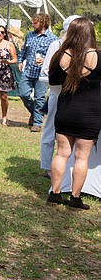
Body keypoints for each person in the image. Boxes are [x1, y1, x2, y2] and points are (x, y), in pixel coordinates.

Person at [47, 17, 100, 210]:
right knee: (82, 157)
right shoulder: (98, 56)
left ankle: (55, 193)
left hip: (66, 111)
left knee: (61, 153)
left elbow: (53, 83)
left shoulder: (60, 56)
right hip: (90, 114)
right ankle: (75, 198)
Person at [40, 15, 81, 177]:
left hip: (77, 99)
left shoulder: (83, 48)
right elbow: (45, 71)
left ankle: (68, 167)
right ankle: (47, 166)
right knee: (50, 130)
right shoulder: (56, 45)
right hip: (57, 94)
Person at [18, 13, 57, 132]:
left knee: (39, 97)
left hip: (42, 73)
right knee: (23, 93)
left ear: (43, 23)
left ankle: (37, 123)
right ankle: (35, 113)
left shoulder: (52, 39)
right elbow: (24, 50)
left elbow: (55, 57)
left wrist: (45, 61)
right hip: (28, 70)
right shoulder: (29, 35)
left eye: (35, 22)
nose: (32, 24)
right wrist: (20, 61)